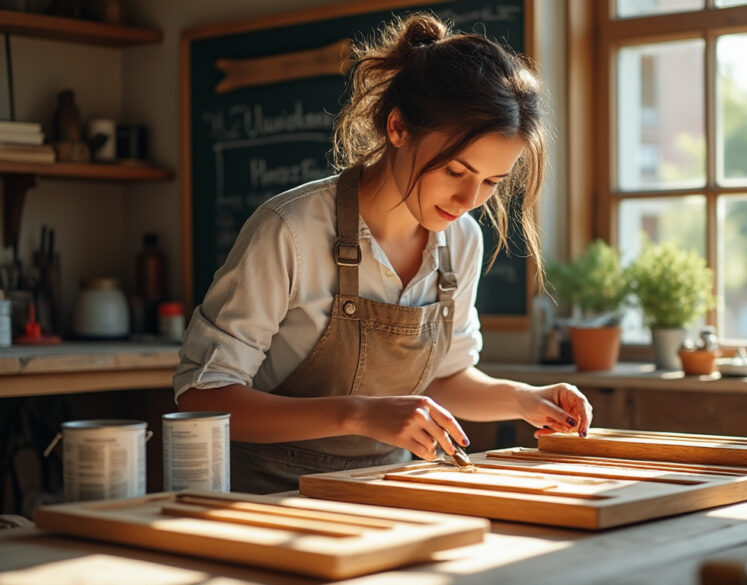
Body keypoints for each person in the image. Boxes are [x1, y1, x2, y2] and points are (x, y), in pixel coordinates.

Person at [174, 13, 593, 494]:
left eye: (491, 182)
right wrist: (359, 413)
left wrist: (524, 400)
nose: (468, 200)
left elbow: (444, 379)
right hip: (266, 498)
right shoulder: (290, 231)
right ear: (398, 128)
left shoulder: (461, 241)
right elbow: (202, 399)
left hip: (388, 489)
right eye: (456, 171)